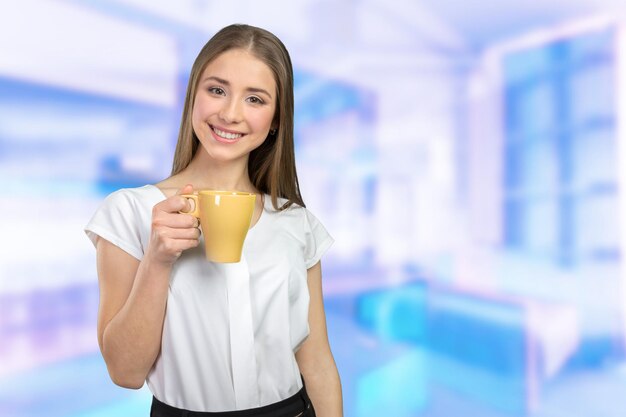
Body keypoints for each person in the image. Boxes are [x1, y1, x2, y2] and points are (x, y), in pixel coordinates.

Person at [85, 24, 343, 417]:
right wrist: (158, 259)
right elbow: (124, 372)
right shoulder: (129, 212)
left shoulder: (296, 222)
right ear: (193, 96)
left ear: (276, 119)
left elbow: (318, 363)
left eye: (255, 99)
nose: (230, 113)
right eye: (217, 90)